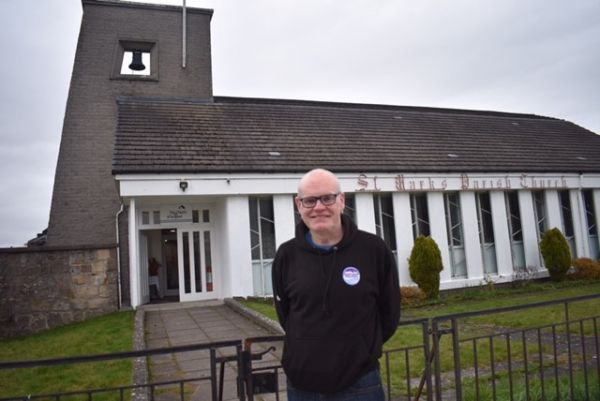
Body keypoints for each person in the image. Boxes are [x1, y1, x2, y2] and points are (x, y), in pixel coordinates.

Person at [272, 168, 401, 400]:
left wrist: (361, 349)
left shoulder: (373, 250)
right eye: (309, 200)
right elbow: (286, 314)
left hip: (360, 383)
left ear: (342, 200)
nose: (319, 207)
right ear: (298, 205)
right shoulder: (286, 255)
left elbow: (389, 314)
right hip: (302, 385)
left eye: (327, 198)